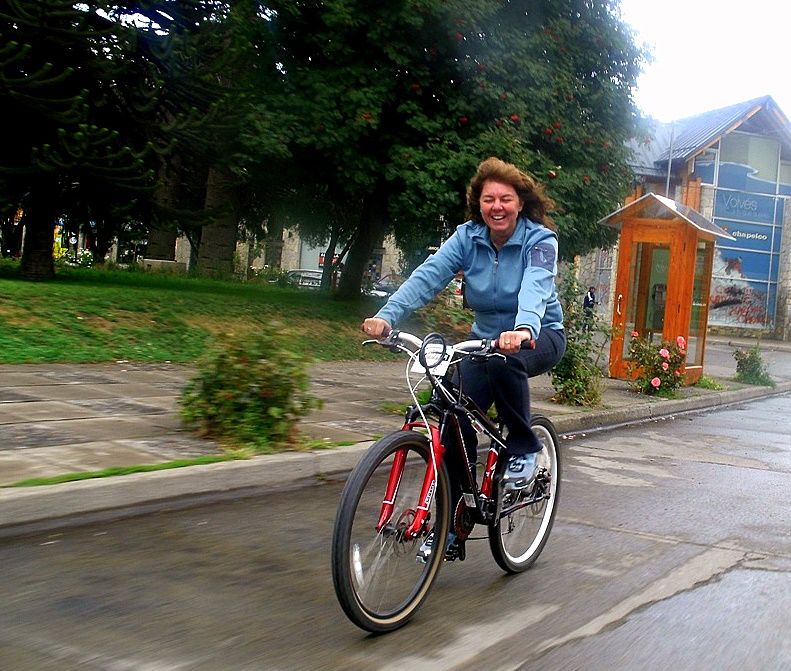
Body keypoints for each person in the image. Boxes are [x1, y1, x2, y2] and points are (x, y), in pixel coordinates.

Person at [361, 156, 566, 560]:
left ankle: (523, 447)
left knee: (504, 362)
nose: (497, 206)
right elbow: (429, 275)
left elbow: (536, 287)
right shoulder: (467, 238)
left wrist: (524, 329)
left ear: (520, 202)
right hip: (484, 339)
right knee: (451, 414)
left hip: (538, 334)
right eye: (489, 199)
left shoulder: (539, 240)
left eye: (505, 198)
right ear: (479, 203)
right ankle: (457, 522)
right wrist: (386, 317)